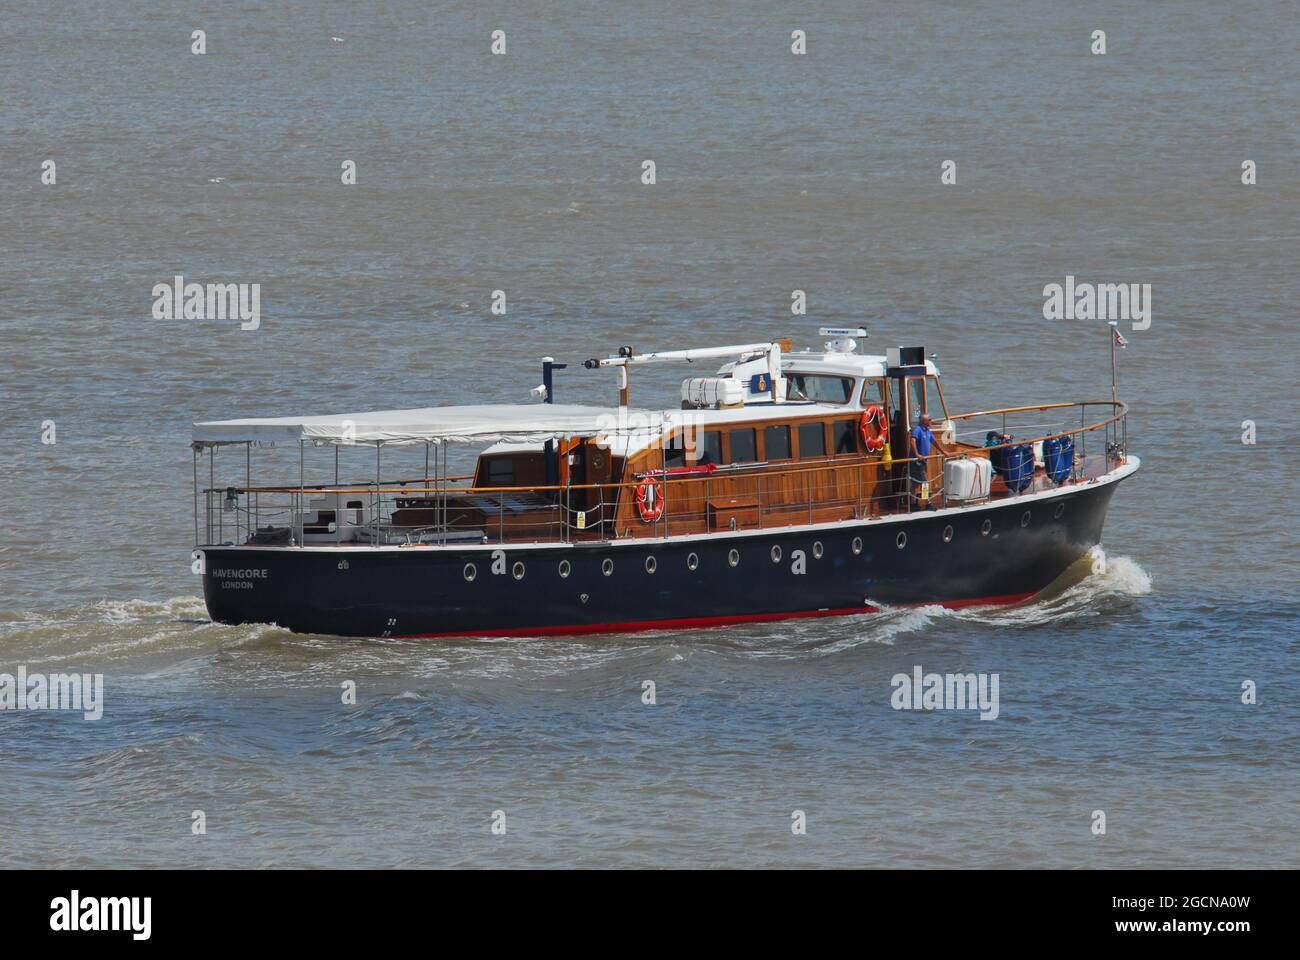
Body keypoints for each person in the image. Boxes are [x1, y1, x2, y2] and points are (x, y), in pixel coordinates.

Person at [909, 413, 951, 507]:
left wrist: (943, 451)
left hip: (924, 461)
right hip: (917, 461)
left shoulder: (927, 430)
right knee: (924, 483)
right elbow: (912, 441)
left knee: (915, 483)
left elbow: (934, 441)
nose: (931, 421)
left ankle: (912, 503)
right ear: (924, 421)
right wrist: (917, 454)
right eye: (930, 420)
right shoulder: (918, 429)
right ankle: (927, 502)